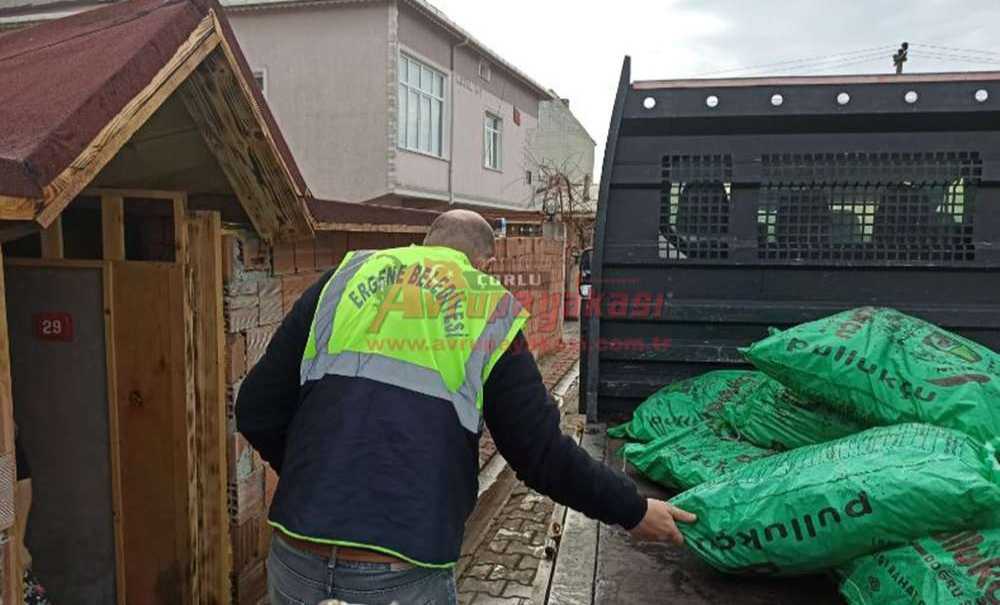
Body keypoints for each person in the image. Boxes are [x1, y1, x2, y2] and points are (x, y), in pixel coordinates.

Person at [237, 210, 696, 605]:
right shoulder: (486, 306)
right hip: (401, 569)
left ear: (423, 245)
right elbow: (541, 455)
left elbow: (256, 409)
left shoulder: (342, 280)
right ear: (485, 264)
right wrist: (633, 510)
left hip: (295, 553)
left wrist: (316, 474)